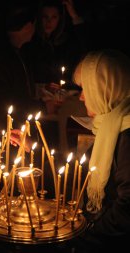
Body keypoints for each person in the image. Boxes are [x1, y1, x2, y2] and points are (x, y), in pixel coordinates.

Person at [70, 49, 130, 251]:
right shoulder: (111, 124)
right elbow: (82, 173)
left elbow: (127, 210)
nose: (81, 97)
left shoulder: (126, 136)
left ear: (104, 89)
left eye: (86, 89)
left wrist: (84, 236)